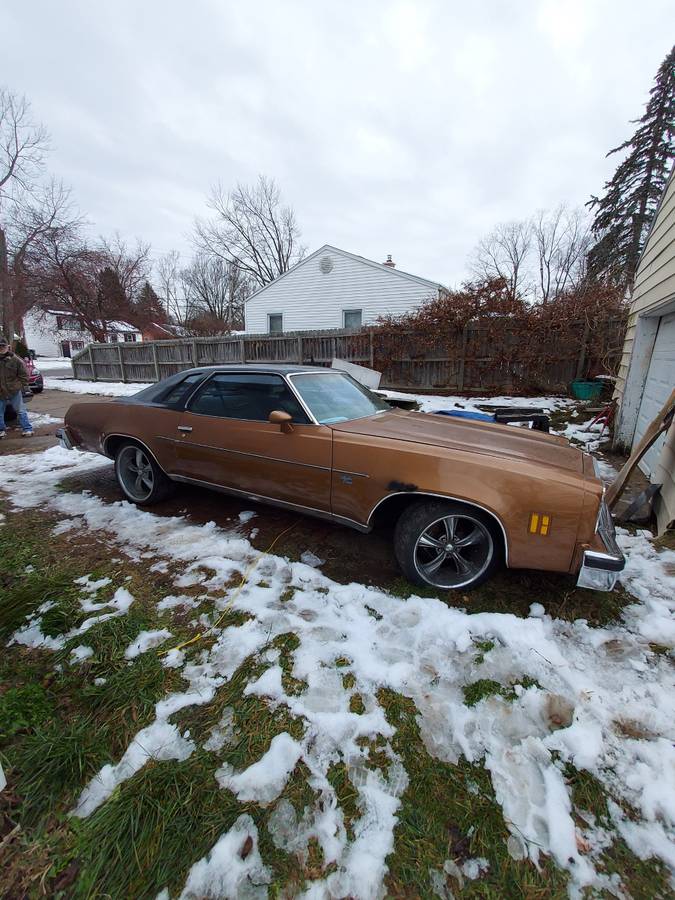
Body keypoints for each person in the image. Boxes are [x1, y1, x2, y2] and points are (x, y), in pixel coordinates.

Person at [0, 335, 33, 438]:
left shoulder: (16, 360)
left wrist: (21, 386)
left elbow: (24, 375)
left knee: (21, 411)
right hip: (0, 392)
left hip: (14, 390)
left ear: (7, 347)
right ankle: (1, 430)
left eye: (3, 346)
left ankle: (27, 429)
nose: (1, 348)